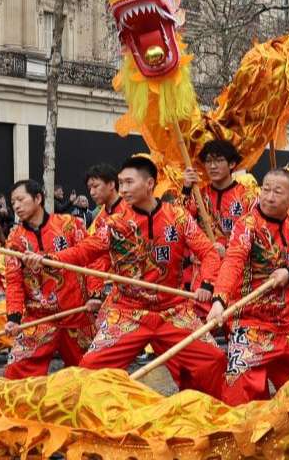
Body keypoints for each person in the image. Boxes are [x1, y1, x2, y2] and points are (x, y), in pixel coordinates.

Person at [45, 157, 226, 397]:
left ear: (149, 184)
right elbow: (83, 252)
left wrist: (207, 284)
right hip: (128, 311)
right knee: (90, 369)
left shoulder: (178, 216)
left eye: (129, 182)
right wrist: (49, 259)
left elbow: (209, 253)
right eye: (121, 183)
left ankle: (200, 409)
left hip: (173, 310)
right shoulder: (114, 224)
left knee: (214, 359)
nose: (123, 189)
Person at [207, 168, 289, 404]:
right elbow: (233, 261)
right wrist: (219, 300)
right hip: (251, 324)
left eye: (277, 192)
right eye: (265, 189)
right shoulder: (247, 224)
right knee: (239, 396)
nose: (269, 197)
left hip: (287, 325)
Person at [1, 179, 95, 379]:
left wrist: (95, 295)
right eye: (13, 202)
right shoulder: (15, 240)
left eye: (20, 200)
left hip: (76, 314)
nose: (16, 206)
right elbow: (14, 281)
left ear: (38, 198)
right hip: (39, 318)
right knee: (15, 374)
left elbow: (92, 258)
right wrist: (13, 319)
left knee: (91, 375)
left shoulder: (69, 225)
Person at [182, 140, 258, 315]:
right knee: (200, 319)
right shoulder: (199, 194)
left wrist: (228, 251)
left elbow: (257, 233)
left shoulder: (248, 196)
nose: (212, 166)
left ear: (232, 164)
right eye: (208, 161)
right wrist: (186, 189)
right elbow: (179, 220)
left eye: (218, 160)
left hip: (234, 270)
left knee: (230, 317)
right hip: (203, 270)